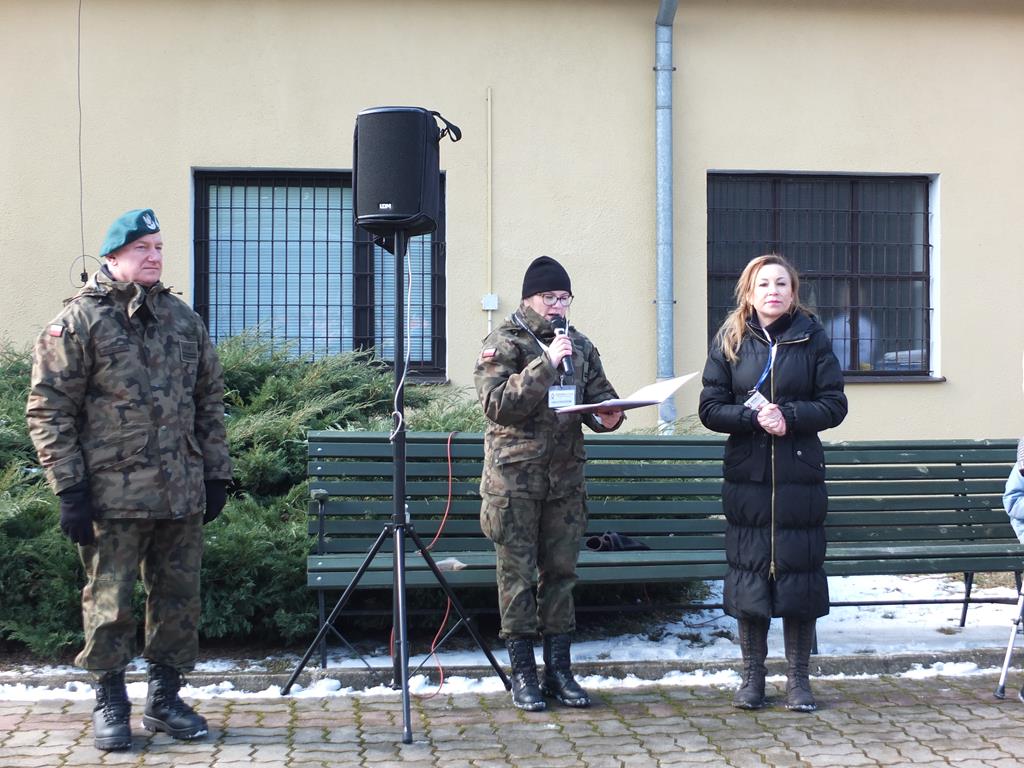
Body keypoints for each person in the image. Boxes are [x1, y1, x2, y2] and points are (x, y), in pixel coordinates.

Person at [25, 209, 232, 751]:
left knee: (178, 600)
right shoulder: (79, 322)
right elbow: (49, 409)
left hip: (180, 491)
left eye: (159, 247)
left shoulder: (182, 320)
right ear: (113, 256)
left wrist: (216, 474)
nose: (154, 257)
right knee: (109, 602)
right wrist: (69, 488)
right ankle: (111, 701)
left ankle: (165, 699)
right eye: (142, 248)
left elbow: (209, 401)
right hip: (111, 494)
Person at [474, 255, 624, 711]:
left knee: (561, 575)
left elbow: (600, 399)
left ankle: (559, 671)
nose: (558, 306)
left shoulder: (580, 345)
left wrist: (610, 416)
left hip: (564, 482)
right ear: (528, 299)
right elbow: (497, 405)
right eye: (549, 297)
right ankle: (523, 675)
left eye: (564, 297)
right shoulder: (503, 342)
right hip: (514, 484)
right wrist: (545, 364)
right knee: (517, 578)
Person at [698, 253, 847, 712]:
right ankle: (753, 678)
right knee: (751, 576)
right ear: (749, 291)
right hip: (749, 477)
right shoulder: (730, 339)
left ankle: (798, 680)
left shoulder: (812, 337)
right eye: (764, 284)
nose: (773, 291)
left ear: (793, 291)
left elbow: (834, 404)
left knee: (799, 577)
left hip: (800, 476)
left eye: (781, 283)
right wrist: (753, 418)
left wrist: (791, 416)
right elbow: (710, 408)